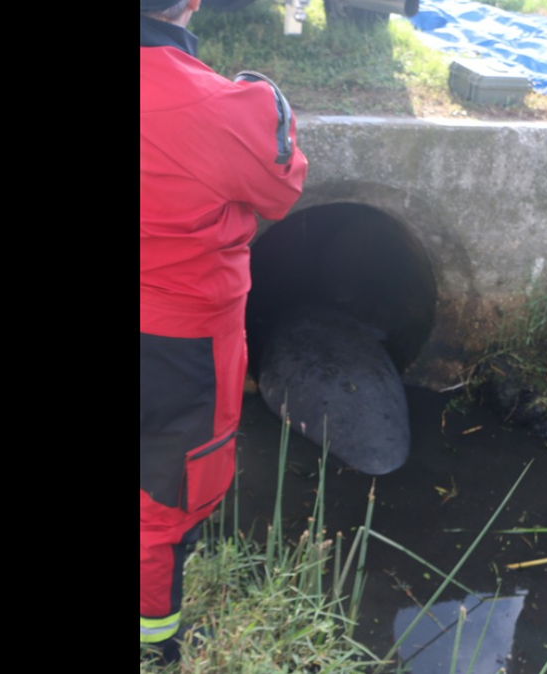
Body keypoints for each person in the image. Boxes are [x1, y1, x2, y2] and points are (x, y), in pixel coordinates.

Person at [140, 0, 308, 664]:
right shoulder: (219, 106)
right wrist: (263, 87)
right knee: (167, 499)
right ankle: (155, 648)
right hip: (184, 342)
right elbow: (283, 182)